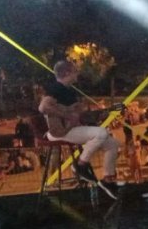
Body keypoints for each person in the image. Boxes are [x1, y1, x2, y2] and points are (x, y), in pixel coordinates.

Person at [38, 60, 120, 195]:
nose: (77, 74)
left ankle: (108, 179)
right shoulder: (56, 88)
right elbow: (43, 107)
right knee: (101, 133)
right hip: (60, 132)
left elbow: (79, 116)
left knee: (113, 144)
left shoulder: (69, 91)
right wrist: (68, 116)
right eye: (75, 71)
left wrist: (99, 115)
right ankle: (80, 165)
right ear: (67, 73)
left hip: (70, 130)